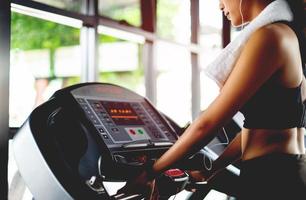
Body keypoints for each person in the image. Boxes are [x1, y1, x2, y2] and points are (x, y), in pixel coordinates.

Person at [118, 0, 306, 199]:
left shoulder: (270, 37)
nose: (219, 6)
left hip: (272, 180)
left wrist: (150, 173)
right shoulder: (286, 34)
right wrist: (211, 169)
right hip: (280, 172)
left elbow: (208, 123)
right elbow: (260, 128)